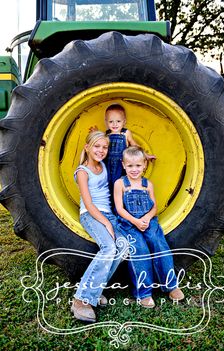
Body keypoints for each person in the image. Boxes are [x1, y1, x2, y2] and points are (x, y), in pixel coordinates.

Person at [114, 146, 184, 308]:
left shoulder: (147, 184)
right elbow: (119, 209)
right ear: (123, 165)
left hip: (148, 221)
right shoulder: (120, 184)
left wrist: (146, 217)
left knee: (159, 244)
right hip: (128, 223)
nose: (134, 169)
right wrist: (136, 221)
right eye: (130, 166)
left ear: (144, 165)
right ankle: (144, 293)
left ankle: (170, 285)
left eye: (138, 165)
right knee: (140, 250)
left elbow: (154, 207)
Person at [72, 131, 128, 322]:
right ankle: (81, 299)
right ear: (87, 148)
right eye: (96, 146)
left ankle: (94, 290)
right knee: (109, 247)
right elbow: (88, 204)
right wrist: (106, 223)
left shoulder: (102, 165)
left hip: (108, 215)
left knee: (124, 247)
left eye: (104, 147)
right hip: (91, 215)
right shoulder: (82, 172)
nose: (101, 150)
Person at [91, 104, 156, 208]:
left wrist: (145, 155)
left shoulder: (126, 133)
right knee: (107, 186)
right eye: (111, 121)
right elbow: (99, 143)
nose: (114, 124)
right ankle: (108, 208)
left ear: (124, 121)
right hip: (107, 165)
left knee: (120, 186)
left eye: (118, 121)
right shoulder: (106, 135)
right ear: (106, 122)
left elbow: (134, 145)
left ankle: (122, 209)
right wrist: (95, 133)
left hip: (121, 166)